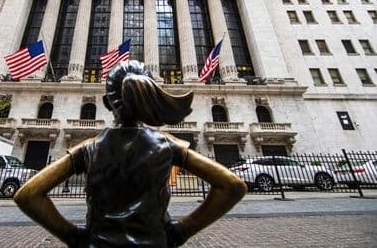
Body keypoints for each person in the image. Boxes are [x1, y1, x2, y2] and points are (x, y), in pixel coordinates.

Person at [14, 60, 247, 247]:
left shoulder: (88, 148)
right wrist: (180, 233)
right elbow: (232, 186)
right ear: (149, 96)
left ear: (107, 103)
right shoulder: (167, 145)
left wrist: (74, 237)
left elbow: (28, 195)